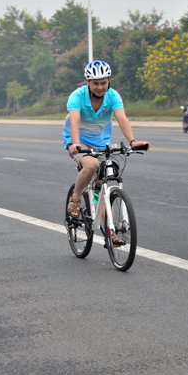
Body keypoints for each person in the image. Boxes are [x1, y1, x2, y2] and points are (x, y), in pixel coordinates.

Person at [63, 60, 149, 246]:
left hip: (102, 144)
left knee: (104, 188)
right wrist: (75, 143)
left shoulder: (113, 96)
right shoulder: (77, 96)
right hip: (79, 142)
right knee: (91, 165)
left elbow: (122, 119)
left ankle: (110, 233)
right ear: (88, 82)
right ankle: (76, 199)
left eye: (104, 82)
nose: (100, 87)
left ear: (109, 81)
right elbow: (74, 121)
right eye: (96, 83)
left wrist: (133, 142)